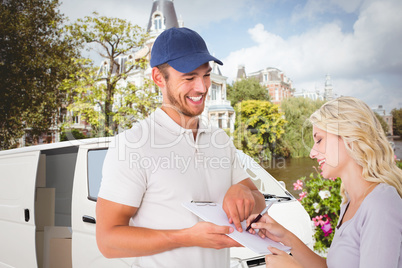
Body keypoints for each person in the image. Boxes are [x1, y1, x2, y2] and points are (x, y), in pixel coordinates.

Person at [96, 27, 266, 268]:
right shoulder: (132, 145)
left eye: (206, 75)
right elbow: (107, 241)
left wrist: (244, 194)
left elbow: (259, 199)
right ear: (158, 78)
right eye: (189, 78)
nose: (202, 87)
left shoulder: (219, 139)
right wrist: (185, 237)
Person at [247, 96, 402, 268]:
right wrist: (284, 236)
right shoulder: (350, 203)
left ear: (349, 137)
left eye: (319, 140)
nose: (312, 153)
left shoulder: (381, 204)